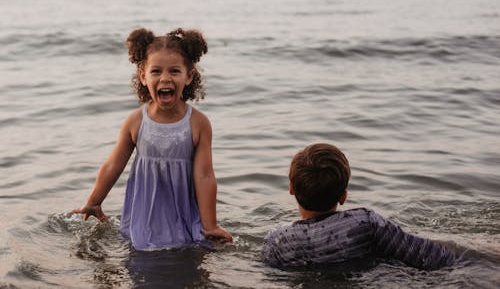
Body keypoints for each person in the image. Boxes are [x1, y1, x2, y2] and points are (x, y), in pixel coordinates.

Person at [73, 27, 232, 250]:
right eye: (156, 71)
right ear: (143, 75)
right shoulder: (136, 121)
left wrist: (210, 225)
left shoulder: (198, 123)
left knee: (191, 265)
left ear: (189, 76)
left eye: (174, 71)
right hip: (144, 215)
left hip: (184, 213)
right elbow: (113, 165)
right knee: (142, 263)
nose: (165, 78)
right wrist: (93, 202)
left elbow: (205, 175)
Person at [261, 143, 454, 270]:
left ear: (291, 190)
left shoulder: (276, 243)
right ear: (344, 196)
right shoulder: (365, 222)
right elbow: (433, 258)